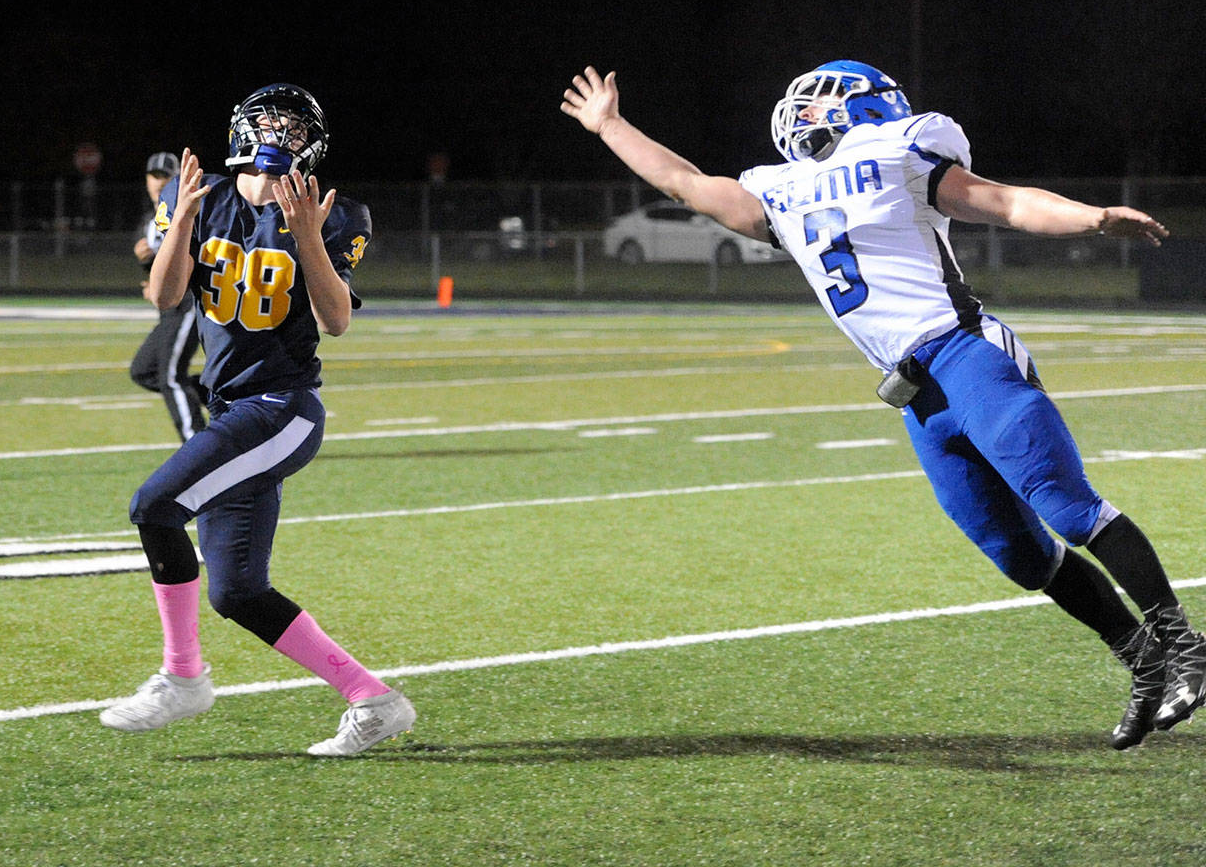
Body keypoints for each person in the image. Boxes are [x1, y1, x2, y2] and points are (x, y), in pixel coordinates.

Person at [562, 60, 1206, 751]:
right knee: (1016, 554)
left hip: (965, 355)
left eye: (817, 100)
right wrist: (610, 125)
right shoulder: (779, 191)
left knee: (1065, 505)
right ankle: (1143, 663)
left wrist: (1093, 220)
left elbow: (1005, 202)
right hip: (915, 396)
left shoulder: (898, 151)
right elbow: (683, 183)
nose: (802, 110)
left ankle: (1185, 646)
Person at [100, 83, 416, 756]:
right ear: (242, 131)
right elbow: (165, 296)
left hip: (282, 407)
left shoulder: (336, 212)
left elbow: (336, 321)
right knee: (237, 591)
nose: (279, 138)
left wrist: (307, 239)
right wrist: (181, 217)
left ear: (312, 143)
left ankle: (183, 678)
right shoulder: (201, 195)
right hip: (232, 407)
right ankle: (374, 700)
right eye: (268, 124)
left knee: (154, 507)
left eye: (293, 129)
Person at [129, 151, 205, 441]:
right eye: (154, 175)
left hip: (189, 302)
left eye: (166, 176)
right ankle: (220, 394)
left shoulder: (187, 209)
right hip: (168, 309)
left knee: (171, 376)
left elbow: (197, 253)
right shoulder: (149, 218)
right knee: (143, 371)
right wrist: (149, 275)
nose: (159, 182)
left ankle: (196, 444)